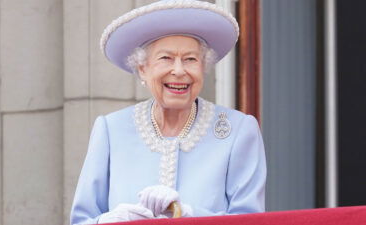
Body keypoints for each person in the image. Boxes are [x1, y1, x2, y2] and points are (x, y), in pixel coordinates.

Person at [70, 0, 266, 224]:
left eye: (190, 59)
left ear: (203, 67)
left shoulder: (239, 130)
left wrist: (190, 214)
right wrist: (109, 221)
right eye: (166, 58)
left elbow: (251, 220)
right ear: (143, 69)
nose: (179, 71)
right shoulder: (111, 130)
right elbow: (81, 220)